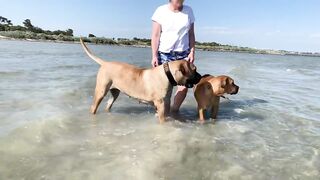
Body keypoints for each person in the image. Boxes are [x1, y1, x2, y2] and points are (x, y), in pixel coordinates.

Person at [151, 0, 196, 112]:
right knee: (164, 89)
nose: (180, 2)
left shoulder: (188, 10)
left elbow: (191, 34)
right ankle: (162, 114)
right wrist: (154, 55)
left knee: (185, 86)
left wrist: (192, 51)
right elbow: (155, 36)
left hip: (183, 54)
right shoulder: (160, 10)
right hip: (165, 54)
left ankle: (174, 111)